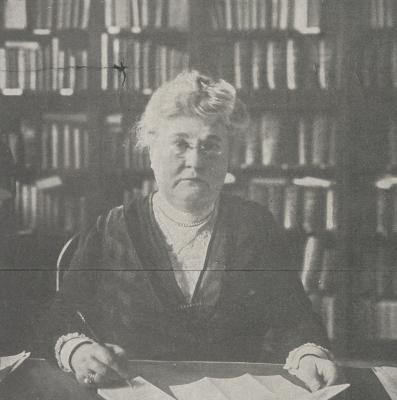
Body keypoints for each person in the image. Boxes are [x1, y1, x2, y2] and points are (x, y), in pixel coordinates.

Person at [43, 71, 340, 390]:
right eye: (180, 144)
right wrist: (80, 352)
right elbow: (60, 315)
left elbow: (294, 317)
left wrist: (310, 354)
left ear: (229, 157)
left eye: (210, 146)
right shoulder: (112, 228)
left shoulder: (254, 226)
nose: (195, 161)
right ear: (152, 152)